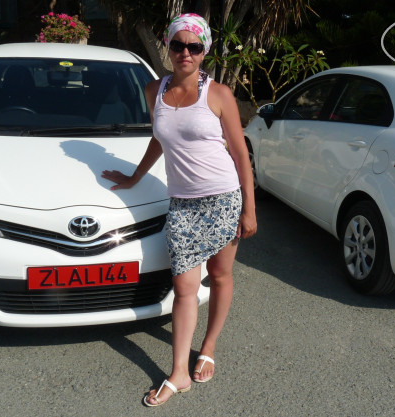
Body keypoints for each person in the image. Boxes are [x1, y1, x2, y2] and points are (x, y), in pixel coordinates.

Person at [101, 13, 257, 407]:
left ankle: (208, 347)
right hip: (183, 206)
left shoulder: (218, 94)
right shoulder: (154, 91)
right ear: (168, 47)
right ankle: (179, 373)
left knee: (219, 275)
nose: (185, 53)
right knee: (184, 289)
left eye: (194, 47)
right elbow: (161, 137)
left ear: (204, 52)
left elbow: (240, 154)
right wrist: (135, 177)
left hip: (223, 198)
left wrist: (249, 209)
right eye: (178, 45)